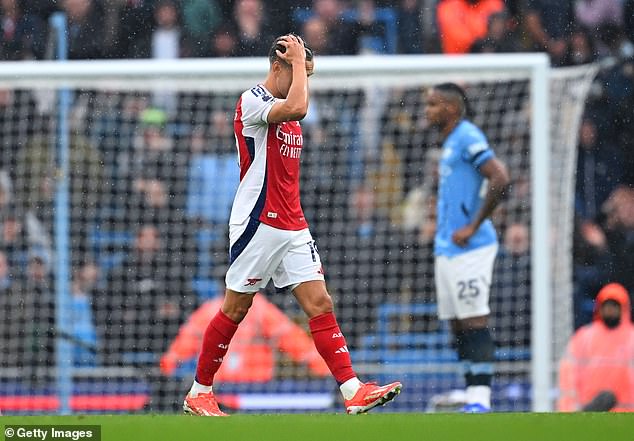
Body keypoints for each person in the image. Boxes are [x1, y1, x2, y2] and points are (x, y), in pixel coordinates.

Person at [182, 34, 401, 416]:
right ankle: (199, 391)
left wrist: (304, 66)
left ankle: (352, 389)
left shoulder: (288, 98)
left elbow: (298, 99)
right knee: (236, 308)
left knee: (319, 301)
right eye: (295, 66)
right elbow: (298, 106)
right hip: (259, 220)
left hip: (292, 223)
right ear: (277, 65)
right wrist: (300, 65)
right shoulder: (253, 100)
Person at [424, 82, 510, 412]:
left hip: (471, 246)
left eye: (432, 105)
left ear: (450, 108)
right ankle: (470, 389)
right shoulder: (449, 143)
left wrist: (473, 225)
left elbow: (500, 177)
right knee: (459, 322)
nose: (427, 111)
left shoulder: (467, 136)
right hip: (448, 248)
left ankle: (481, 398)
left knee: (474, 319)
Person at [558, 283, 634, 412]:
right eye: (607, 305)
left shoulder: (631, 337)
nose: (610, 310)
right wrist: (568, 413)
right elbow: (568, 378)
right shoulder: (584, 337)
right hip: (590, 415)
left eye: (614, 306)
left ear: (623, 308)